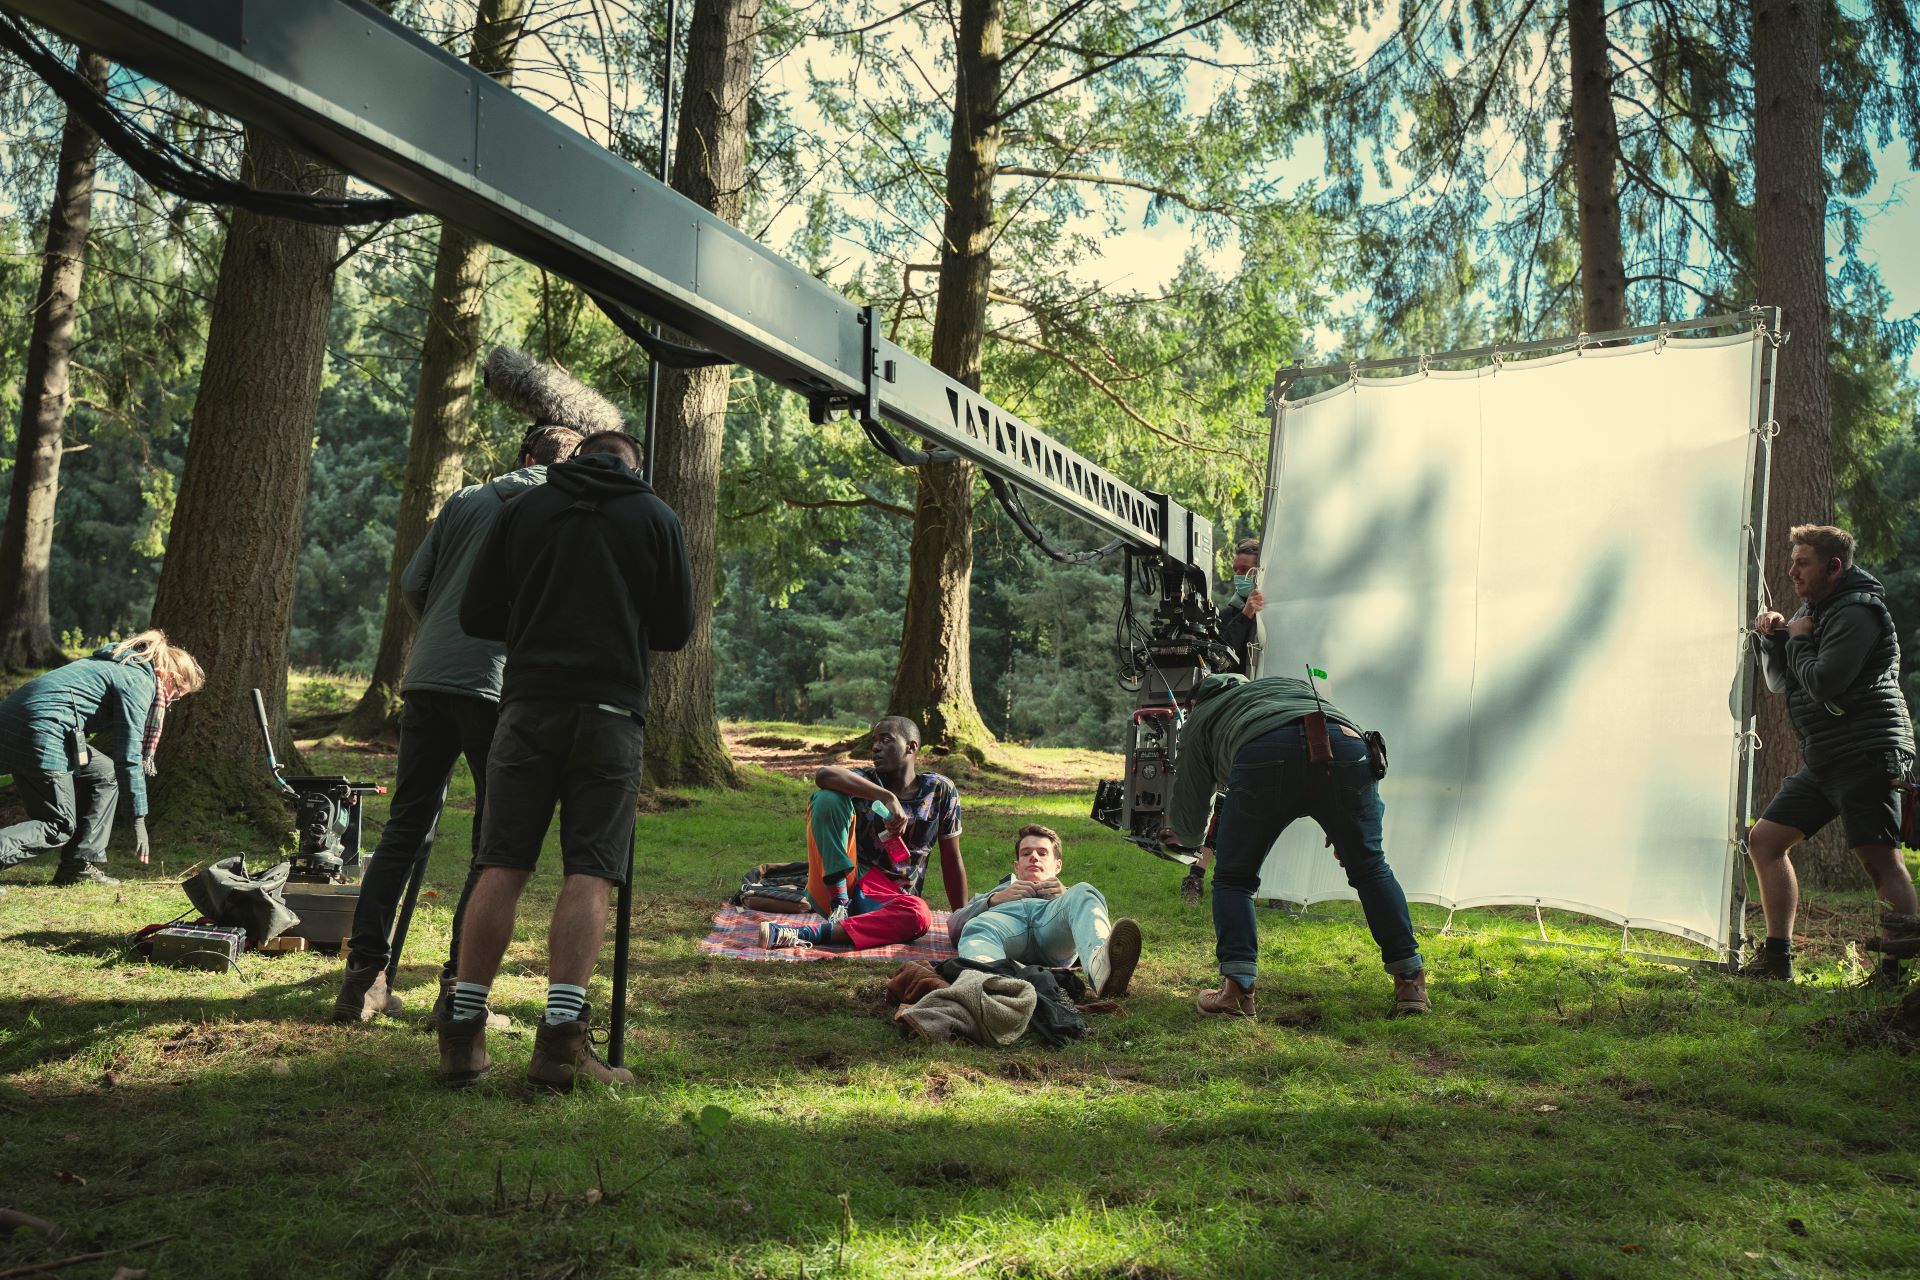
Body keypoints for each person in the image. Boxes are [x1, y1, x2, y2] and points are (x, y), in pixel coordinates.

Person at [434, 429, 692, 1091]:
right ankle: (559, 1046)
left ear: (576, 461)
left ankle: (462, 1036)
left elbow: (477, 612)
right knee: (591, 872)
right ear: (637, 466)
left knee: (502, 862)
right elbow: (675, 630)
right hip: (609, 713)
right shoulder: (656, 516)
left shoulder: (524, 509)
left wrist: (536, 621)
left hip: (526, 706)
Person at [332, 422, 583, 1024]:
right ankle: (457, 992)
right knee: (494, 843)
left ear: (522, 454)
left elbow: (413, 583)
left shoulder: (467, 498)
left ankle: (363, 981)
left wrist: (440, 637)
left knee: (404, 828)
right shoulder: (562, 508)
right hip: (499, 685)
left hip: (428, 677)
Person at [1163, 672, 1427, 1018]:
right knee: (1371, 868)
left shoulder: (1203, 714)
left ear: (1195, 702)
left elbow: (1190, 805)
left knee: (1234, 879)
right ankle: (1411, 983)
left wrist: (1188, 838)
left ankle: (1238, 992)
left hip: (1263, 754)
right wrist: (1351, 832)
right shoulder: (1289, 685)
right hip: (1346, 744)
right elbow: (1323, 740)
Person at [1744, 523, 1916, 985]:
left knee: (1880, 860)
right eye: (1792, 562)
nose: (1792, 571)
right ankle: (1777, 959)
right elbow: (1783, 682)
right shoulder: (1815, 611)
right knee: (1765, 840)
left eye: (1803, 563)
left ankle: (1893, 974)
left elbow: (1823, 683)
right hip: (1825, 758)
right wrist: (1774, 636)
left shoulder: (1859, 612)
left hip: (1867, 752)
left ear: (1833, 566)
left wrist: (1797, 637)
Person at [0, 631, 204, 885]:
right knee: (59, 825)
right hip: (43, 730)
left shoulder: (118, 665)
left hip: (19, 723)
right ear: (169, 677)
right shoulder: (139, 681)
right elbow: (129, 755)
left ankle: (77, 866)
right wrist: (138, 819)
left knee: (105, 774)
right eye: (176, 695)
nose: (171, 703)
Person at [759, 716, 967, 951]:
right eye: (874, 741)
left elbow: (952, 858)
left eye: (885, 740)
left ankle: (801, 934)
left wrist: (964, 920)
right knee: (828, 797)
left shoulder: (940, 791)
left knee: (918, 915)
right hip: (845, 883)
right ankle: (840, 907)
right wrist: (886, 797)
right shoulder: (866, 782)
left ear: (911, 747)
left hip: (890, 898)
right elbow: (824, 775)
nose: (876, 747)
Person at [945, 823, 1142, 997]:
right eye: (1026, 853)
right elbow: (953, 926)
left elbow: (1086, 921)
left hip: (1052, 931)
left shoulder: (1071, 896)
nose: (1033, 857)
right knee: (978, 926)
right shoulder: (995, 893)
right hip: (1005, 929)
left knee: (1085, 890)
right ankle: (992, 985)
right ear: (1017, 865)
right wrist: (994, 900)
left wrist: (1066, 896)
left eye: (1042, 853)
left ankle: (1102, 971)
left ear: (1057, 866)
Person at [1182, 538, 1265, 904]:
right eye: (1236, 571)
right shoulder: (1232, 610)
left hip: (1270, 711)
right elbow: (1222, 656)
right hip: (1238, 711)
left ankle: (1271, 883)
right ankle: (1197, 872)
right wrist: (1247, 614)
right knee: (1226, 792)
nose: (1240, 578)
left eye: (1246, 572)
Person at [1216, 538, 1266, 677]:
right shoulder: (1226, 615)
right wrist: (1245, 616)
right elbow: (1221, 659)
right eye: (1235, 570)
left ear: (1260, 571)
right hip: (1241, 695)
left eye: (1244, 570)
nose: (1238, 575)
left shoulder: (1279, 609)